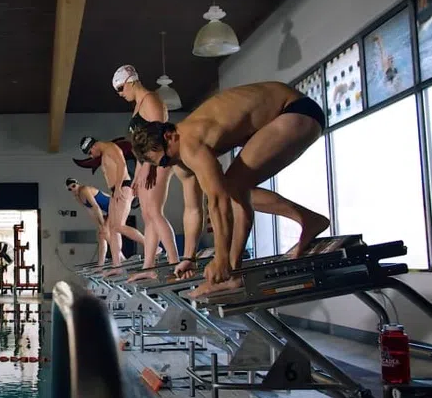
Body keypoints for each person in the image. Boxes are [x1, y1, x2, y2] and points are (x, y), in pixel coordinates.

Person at [129, 81, 330, 297]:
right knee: (237, 188)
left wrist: (221, 259)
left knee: (233, 187)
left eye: (166, 159)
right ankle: (235, 273)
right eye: (162, 164)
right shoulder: (178, 157)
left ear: (169, 136)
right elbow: (193, 209)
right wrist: (189, 258)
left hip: (296, 111)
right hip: (288, 116)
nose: (168, 165)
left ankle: (234, 270)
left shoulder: (189, 142)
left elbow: (218, 200)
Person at [113, 64, 180, 270]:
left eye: (120, 88)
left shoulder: (150, 100)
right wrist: (138, 172)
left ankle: (175, 262)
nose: (120, 94)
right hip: (147, 164)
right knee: (147, 216)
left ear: (131, 82)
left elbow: (157, 137)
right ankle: (149, 266)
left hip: (156, 162)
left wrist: (148, 167)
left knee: (154, 212)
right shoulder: (139, 104)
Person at [73, 137, 146, 272]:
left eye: (90, 153)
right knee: (112, 229)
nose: (91, 156)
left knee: (119, 226)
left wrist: (118, 187)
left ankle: (151, 246)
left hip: (123, 187)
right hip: (115, 192)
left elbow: (122, 165)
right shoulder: (105, 153)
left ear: (93, 147)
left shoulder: (110, 147)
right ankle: (117, 265)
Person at [65, 178, 112, 268]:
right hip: (108, 211)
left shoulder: (84, 189)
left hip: (114, 206)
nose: (73, 189)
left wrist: (103, 224)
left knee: (105, 232)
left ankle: (121, 258)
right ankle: (101, 265)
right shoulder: (77, 197)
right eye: (70, 189)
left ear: (78, 184)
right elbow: (90, 212)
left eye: (74, 186)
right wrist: (99, 225)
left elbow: (96, 207)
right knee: (101, 234)